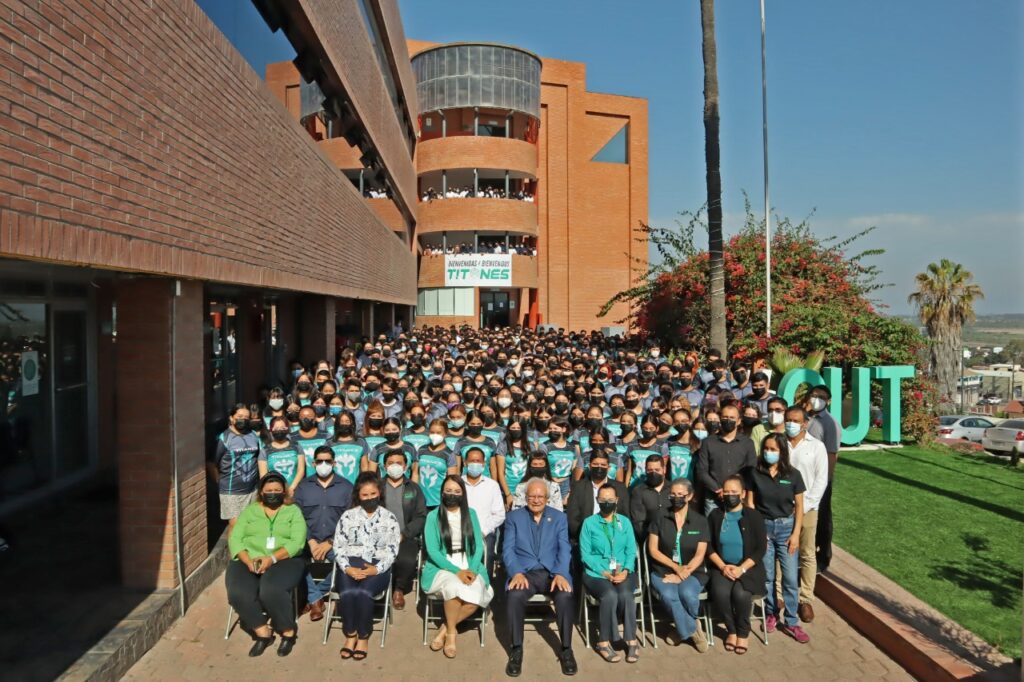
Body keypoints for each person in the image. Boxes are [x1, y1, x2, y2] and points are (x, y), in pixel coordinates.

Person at [226, 472, 308, 657]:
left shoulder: (293, 511)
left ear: (284, 491)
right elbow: (236, 538)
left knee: (270, 590)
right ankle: (263, 632)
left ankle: (288, 631)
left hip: (285, 558)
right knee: (238, 593)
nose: (273, 493)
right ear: (261, 492)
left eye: (277, 490)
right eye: (269, 490)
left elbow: (297, 542)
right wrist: (247, 560)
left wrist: (271, 559)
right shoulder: (250, 511)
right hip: (249, 558)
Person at [502, 478, 577, 677]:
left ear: (547, 498)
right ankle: (516, 648)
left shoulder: (559, 518)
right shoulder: (513, 518)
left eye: (540, 496)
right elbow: (507, 550)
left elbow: (564, 549)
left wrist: (561, 573)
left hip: (552, 573)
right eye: (532, 496)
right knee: (514, 596)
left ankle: (566, 649)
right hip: (524, 573)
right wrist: (516, 571)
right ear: (525, 498)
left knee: (565, 596)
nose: (536, 500)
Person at [422, 476, 494, 658]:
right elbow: (433, 551)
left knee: (475, 597)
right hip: (442, 566)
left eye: (456, 491)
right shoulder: (433, 516)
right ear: (442, 492)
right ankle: (452, 636)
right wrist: (457, 572)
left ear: (463, 494)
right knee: (454, 587)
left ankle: (445, 629)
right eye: (448, 491)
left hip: (469, 563)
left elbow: (478, 546)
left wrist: (472, 569)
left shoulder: (471, 514)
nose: (452, 495)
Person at [333, 473, 401, 660]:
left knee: (363, 593)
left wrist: (376, 569)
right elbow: (338, 545)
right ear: (358, 496)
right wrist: (347, 568)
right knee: (347, 593)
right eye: (365, 495)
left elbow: (393, 549)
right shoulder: (348, 516)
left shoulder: (389, 518)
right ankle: (350, 634)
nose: (369, 498)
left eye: (373, 494)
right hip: (350, 562)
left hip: (377, 565)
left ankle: (363, 636)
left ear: (379, 493)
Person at [747, 433, 807, 642]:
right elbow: (750, 504)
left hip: (786, 529)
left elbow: (799, 506)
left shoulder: (793, 475)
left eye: (773, 450)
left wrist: (796, 534)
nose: (769, 453)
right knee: (768, 577)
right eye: (766, 449)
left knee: (790, 578)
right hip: (764, 528)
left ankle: (792, 621)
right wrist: (757, 532)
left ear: (782, 452)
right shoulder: (755, 473)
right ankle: (772, 613)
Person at [646, 478, 710, 652]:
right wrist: (676, 568)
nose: (676, 497)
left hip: (693, 571)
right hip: (663, 571)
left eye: (680, 494)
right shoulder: (660, 517)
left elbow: (700, 554)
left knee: (688, 593)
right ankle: (693, 630)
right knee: (669, 595)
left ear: (690, 496)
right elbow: (653, 550)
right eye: (672, 494)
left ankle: (680, 632)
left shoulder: (700, 521)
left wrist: (684, 572)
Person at [579, 483, 640, 663]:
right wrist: (604, 572)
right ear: (597, 500)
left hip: (622, 571)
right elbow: (586, 554)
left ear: (617, 501)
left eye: (610, 500)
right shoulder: (589, 523)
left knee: (626, 594)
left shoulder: (625, 522)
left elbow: (631, 550)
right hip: (596, 573)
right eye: (603, 500)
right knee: (610, 595)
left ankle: (631, 639)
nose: (607, 503)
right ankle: (604, 642)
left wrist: (627, 570)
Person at [707, 475, 767, 655]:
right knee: (720, 592)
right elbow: (708, 545)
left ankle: (743, 632)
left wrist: (741, 568)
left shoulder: (754, 516)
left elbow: (760, 548)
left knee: (740, 594)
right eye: (726, 492)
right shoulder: (715, 515)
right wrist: (723, 566)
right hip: (722, 566)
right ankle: (731, 630)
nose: (729, 495)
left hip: (748, 568)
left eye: (734, 492)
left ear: (742, 494)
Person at [293, 446, 353, 622]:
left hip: (336, 542)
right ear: (313, 463)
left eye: (328, 461)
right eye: (320, 461)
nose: (324, 464)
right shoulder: (303, 487)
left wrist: (330, 542)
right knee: (294, 561)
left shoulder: (347, 487)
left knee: (346, 564)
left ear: (334, 463)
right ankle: (316, 599)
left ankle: (314, 596)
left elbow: (349, 520)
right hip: (307, 540)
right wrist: (310, 540)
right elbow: (297, 518)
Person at [784, 406, 828, 629]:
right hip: (781, 509)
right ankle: (780, 595)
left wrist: (805, 505)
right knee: (780, 551)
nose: (791, 423)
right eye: (788, 419)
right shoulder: (779, 443)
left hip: (808, 509)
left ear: (804, 423)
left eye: (795, 420)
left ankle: (806, 599)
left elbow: (821, 480)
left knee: (807, 554)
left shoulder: (816, 447)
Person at [378, 448, 426, 611]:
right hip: (379, 537)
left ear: (405, 467)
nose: (395, 466)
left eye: (399, 463)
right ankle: (380, 586)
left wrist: (404, 534)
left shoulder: (413, 488)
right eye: (391, 463)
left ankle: (398, 589)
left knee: (406, 560)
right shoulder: (377, 488)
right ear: (384, 466)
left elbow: (421, 516)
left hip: (405, 537)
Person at [695, 403, 756, 515]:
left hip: (738, 498)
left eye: (732, 418)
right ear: (720, 419)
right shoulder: (708, 442)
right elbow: (701, 471)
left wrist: (733, 491)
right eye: (725, 417)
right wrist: (718, 490)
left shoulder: (747, 443)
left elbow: (751, 470)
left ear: (738, 421)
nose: (728, 420)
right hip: (713, 498)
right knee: (713, 530)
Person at [805, 384, 840, 577]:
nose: (816, 399)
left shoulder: (830, 423)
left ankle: (823, 557)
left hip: (821, 479)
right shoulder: (806, 418)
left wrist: (825, 482)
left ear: (829, 401)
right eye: (814, 395)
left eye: (821, 396)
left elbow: (832, 454)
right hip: (804, 477)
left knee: (822, 518)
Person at [214, 404, 262, 527]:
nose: (243, 420)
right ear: (231, 418)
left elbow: (259, 457)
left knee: (251, 523)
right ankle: (234, 547)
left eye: (246, 417)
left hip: (252, 489)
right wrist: (217, 479)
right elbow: (213, 461)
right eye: (239, 416)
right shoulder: (224, 438)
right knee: (235, 525)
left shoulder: (253, 435)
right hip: (231, 490)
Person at [461, 446, 506, 577]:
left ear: (484, 464)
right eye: (472, 461)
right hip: (460, 532)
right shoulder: (458, 483)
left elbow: (499, 514)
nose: (475, 464)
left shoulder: (492, 485)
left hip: (484, 534)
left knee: (488, 554)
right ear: (465, 463)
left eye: (478, 461)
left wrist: (483, 531)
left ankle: (486, 587)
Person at [566, 449, 629, 540]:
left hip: (614, 538)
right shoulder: (578, 487)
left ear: (609, 467)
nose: (599, 467)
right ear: (589, 466)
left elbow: (625, 516)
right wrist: (586, 536)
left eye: (603, 465)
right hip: (586, 538)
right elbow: (572, 519)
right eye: (595, 464)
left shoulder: (620, 488)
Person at [416, 418, 458, 508]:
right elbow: (416, 474)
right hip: (420, 501)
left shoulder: (449, 454)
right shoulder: (421, 450)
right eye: (432, 432)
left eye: (438, 433)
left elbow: (452, 480)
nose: (435, 435)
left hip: (439, 502)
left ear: (445, 434)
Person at [258, 415, 304, 495]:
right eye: (276, 429)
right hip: (275, 492)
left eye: (283, 428)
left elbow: (301, 470)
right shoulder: (265, 450)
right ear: (271, 430)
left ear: (287, 429)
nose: (279, 431)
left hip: (295, 491)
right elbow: (263, 475)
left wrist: (292, 488)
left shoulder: (296, 446)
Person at [627, 454, 670, 538]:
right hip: (647, 538)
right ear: (645, 470)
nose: (653, 473)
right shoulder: (638, 491)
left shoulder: (672, 489)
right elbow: (638, 522)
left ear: (664, 470)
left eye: (657, 470)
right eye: (650, 470)